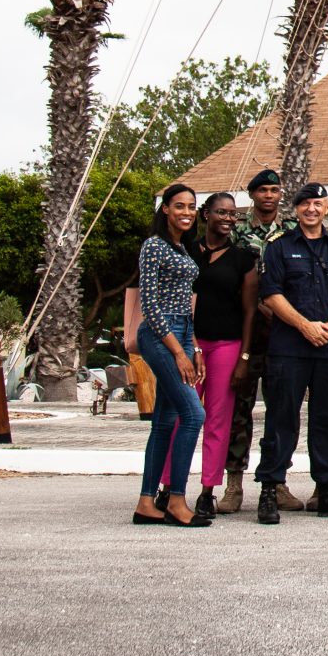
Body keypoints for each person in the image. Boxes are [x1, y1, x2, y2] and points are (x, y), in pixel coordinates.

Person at [253, 182, 328, 525]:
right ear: (297, 208)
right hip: (289, 348)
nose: (311, 209)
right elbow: (271, 294)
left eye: (317, 203)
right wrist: (304, 326)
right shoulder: (279, 246)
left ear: (327, 208)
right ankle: (270, 489)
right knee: (281, 418)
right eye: (305, 204)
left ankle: (327, 490)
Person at [130, 183, 210, 527]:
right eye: (179, 206)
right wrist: (178, 352)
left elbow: (185, 306)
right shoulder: (154, 246)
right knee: (193, 414)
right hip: (159, 335)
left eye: (191, 206)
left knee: (164, 421)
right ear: (165, 209)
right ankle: (176, 499)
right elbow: (150, 305)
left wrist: (194, 347)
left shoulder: (182, 248)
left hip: (181, 332)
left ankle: (146, 503)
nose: (187, 212)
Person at [217, 168, 291, 515]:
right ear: (253, 195)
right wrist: (257, 304)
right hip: (245, 329)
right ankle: (233, 484)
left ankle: (277, 483)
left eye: (274, 190)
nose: (268, 196)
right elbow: (225, 275)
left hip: (283, 332)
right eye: (262, 190)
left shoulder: (292, 229)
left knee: (281, 410)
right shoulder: (236, 232)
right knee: (239, 410)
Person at [185, 190, 257, 522]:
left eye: (233, 214)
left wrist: (244, 357)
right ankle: (169, 488)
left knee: (217, 421)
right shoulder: (186, 251)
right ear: (206, 215)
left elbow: (249, 311)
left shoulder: (243, 258)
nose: (228, 218)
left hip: (227, 346)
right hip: (188, 345)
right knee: (182, 417)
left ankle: (206, 492)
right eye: (221, 212)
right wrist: (188, 346)